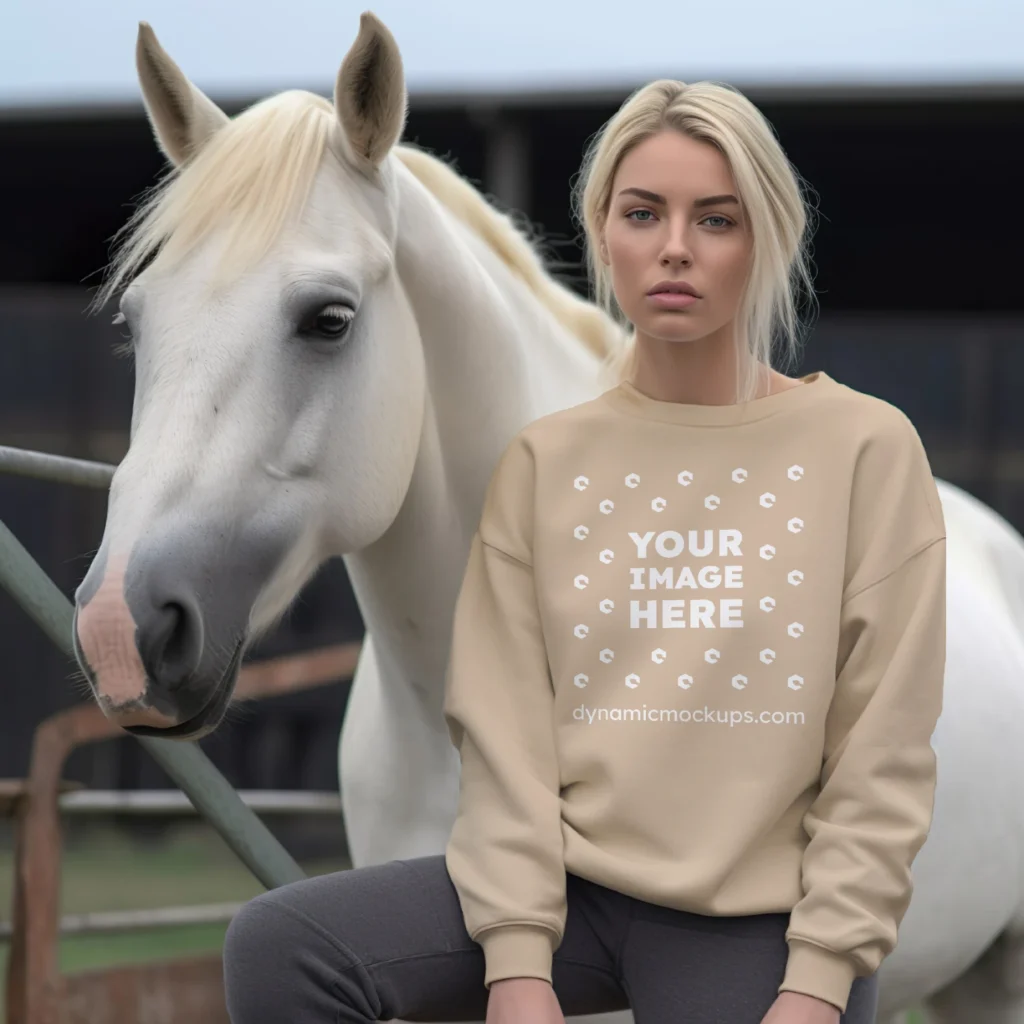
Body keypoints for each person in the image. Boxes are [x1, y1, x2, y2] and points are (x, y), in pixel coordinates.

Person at [222, 78, 945, 1024]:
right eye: (643, 213)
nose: (675, 247)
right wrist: (519, 971)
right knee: (280, 949)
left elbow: (880, 757)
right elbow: (507, 741)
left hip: (756, 924)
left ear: (766, 236)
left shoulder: (865, 448)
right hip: (577, 900)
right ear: (603, 228)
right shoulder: (546, 462)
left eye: (715, 219)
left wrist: (816, 986)